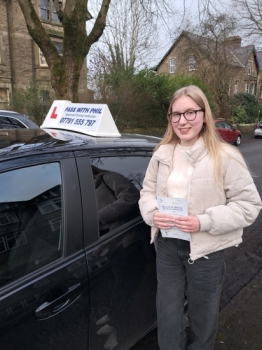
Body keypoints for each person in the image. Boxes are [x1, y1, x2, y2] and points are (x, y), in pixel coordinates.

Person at [138, 85, 262, 350]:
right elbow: (147, 192)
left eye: (190, 112)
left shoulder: (226, 156)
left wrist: (203, 222)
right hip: (168, 248)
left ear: (204, 114)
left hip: (206, 251)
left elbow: (249, 205)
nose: (182, 121)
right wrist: (152, 213)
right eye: (176, 114)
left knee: (203, 321)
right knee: (168, 318)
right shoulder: (162, 153)